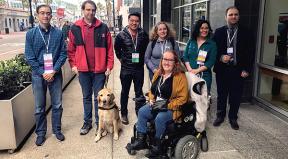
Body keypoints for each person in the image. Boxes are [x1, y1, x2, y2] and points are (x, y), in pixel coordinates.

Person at [128, 50, 188, 157]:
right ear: (161, 61)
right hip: (157, 104)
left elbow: (183, 99)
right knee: (142, 111)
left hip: (172, 107)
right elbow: (152, 91)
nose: (167, 62)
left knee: (160, 118)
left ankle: (157, 146)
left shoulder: (180, 76)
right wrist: (151, 99)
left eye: (170, 60)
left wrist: (167, 105)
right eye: (165, 59)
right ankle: (141, 140)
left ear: (175, 62)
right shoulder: (158, 73)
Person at [67, 0, 114, 135]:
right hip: (83, 70)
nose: (91, 12)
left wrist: (109, 65)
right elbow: (71, 50)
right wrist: (73, 65)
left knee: (97, 98)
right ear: (83, 10)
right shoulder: (75, 28)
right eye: (88, 10)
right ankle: (87, 122)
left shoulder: (103, 27)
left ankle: (100, 123)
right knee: (86, 97)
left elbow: (109, 49)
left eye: (93, 10)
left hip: (99, 70)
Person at [24, 4, 67, 146]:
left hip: (55, 73)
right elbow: (30, 57)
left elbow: (63, 54)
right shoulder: (31, 34)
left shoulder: (58, 33)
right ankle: (41, 133)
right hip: (38, 75)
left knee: (57, 104)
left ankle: (57, 130)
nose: (45, 16)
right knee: (39, 107)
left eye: (48, 13)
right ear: (37, 15)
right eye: (42, 13)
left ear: (51, 15)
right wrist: (43, 73)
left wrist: (53, 70)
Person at [212, 6, 253, 130]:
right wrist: (220, 57)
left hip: (238, 70)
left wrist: (247, 69)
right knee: (221, 94)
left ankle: (233, 117)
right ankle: (220, 115)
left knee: (236, 95)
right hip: (222, 70)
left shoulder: (246, 32)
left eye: (236, 14)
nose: (233, 17)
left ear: (239, 16)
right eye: (231, 14)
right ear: (226, 17)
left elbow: (250, 53)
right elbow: (213, 51)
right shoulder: (218, 32)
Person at [114, 12, 149, 125]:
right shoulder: (121, 35)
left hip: (139, 68)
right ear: (128, 21)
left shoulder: (143, 34)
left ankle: (140, 113)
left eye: (136, 21)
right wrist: (122, 60)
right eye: (132, 20)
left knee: (139, 92)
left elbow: (146, 49)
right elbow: (117, 50)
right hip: (126, 69)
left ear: (139, 22)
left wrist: (143, 60)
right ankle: (124, 113)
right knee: (125, 91)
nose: (134, 23)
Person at [183, 19, 217, 93]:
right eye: (202, 28)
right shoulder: (191, 41)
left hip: (204, 76)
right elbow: (185, 56)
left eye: (206, 28)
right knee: (189, 99)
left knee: (202, 101)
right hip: (190, 75)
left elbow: (211, 62)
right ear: (197, 29)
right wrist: (190, 69)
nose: (204, 30)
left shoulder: (212, 44)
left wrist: (197, 71)